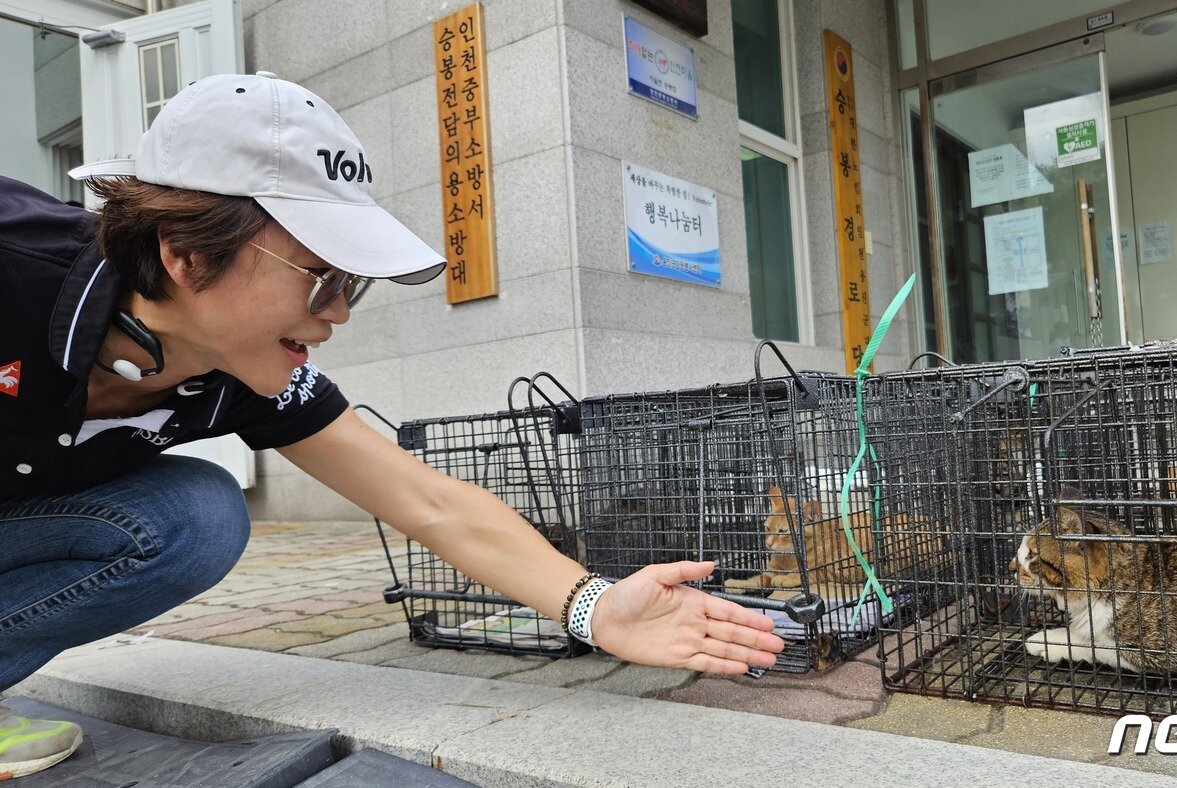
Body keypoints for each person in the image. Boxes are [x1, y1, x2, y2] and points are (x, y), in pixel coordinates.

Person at [0, 71, 783, 779]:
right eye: (322, 278)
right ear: (186, 257)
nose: (338, 313)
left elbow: (428, 501)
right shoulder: (14, 275)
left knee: (197, 516)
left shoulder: (241, 370)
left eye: (353, 283)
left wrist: (595, 606)